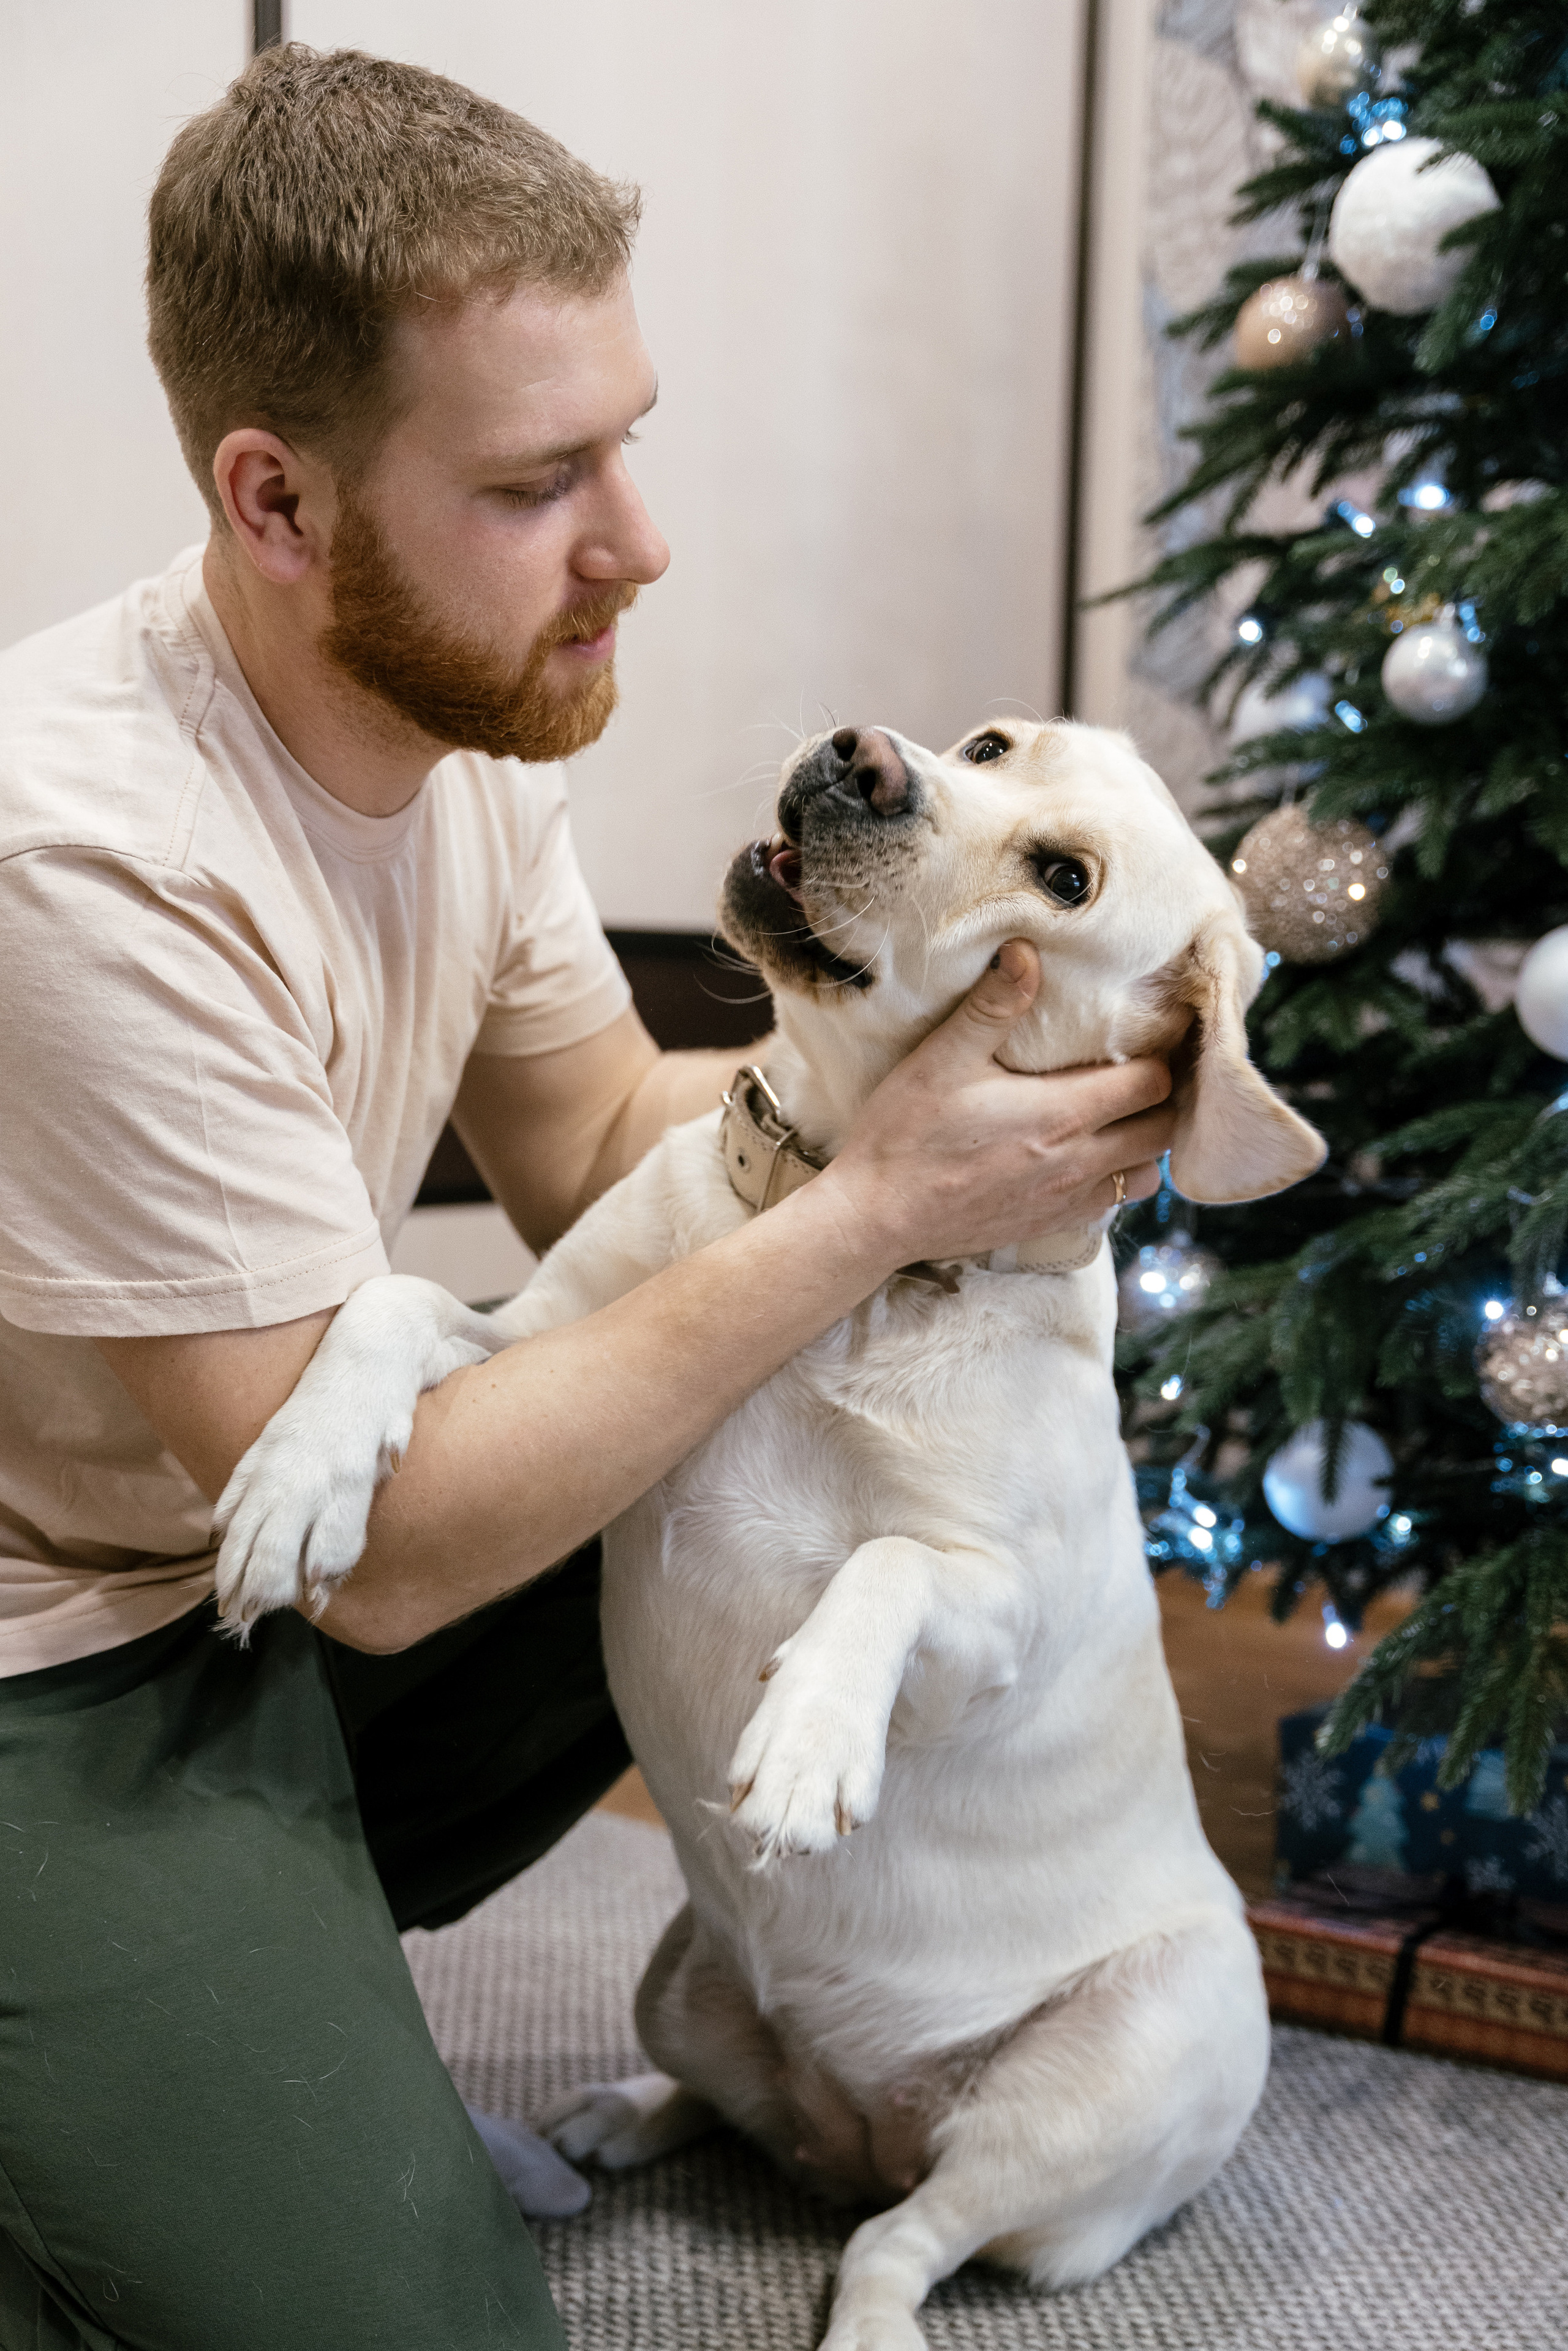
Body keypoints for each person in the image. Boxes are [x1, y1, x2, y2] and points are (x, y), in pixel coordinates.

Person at [0, 44, 1178, 2351]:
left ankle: (204, 2014)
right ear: (277, 501)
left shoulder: (456, 725)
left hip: (249, 1600)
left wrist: (915, 1103)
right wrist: (867, 1208)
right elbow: (398, 1550)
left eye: (626, 441)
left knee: (750, 1424)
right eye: (544, 480)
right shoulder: (85, 861)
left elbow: (607, 1155)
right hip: (56, 1664)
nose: (638, 541)